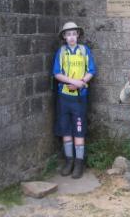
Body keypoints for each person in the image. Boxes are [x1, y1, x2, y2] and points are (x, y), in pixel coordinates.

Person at [53, 22, 96, 179]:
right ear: (64, 36)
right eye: (68, 34)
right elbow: (57, 73)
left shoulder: (84, 50)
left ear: (78, 34)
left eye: (73, 34)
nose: (71, 37)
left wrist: (81, 82)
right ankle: (69, 161)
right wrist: (71, 81)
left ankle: (79, 163)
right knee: (66, 130)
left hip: (80, 97)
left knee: (79, 129)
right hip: (64, 96)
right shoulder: (61, 52)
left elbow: (91, 70)